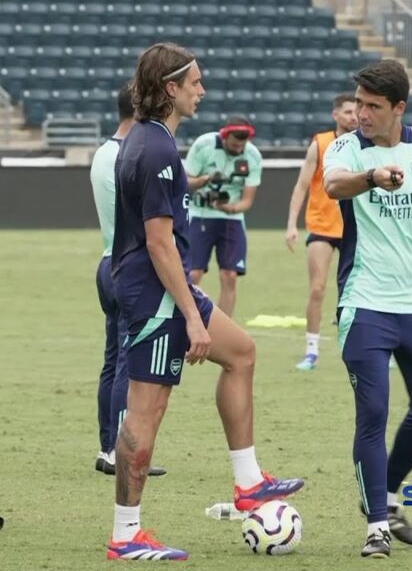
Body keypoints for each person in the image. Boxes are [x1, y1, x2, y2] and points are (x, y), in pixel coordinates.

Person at [106, 42, 302, 560]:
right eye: (195, 82)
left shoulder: (149, 141)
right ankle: (126, 534)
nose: (203, 91)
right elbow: (158, 242)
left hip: (161, 287)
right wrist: (192, 315)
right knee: (147, 410)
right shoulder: (158, 149)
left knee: (241, 352)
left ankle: (249, 483)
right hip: (155, 294)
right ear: (169, 88)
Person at [323, 59, 412, 558]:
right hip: (365, 304)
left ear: (398, 108)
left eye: (373, 106)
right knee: (374, 415)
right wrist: (373, 177)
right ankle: (376, 526)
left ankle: (385, 490)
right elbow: (334, 185)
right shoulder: (346, 148)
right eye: (358, 103)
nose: (361, 113)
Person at [90, 82, 166, 477]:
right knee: (126, 362)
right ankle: (120, 449)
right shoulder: (130, 156)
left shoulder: (103, 152)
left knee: (111, 360)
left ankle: (107, 445)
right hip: (128, 265)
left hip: (106, 261)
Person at [285, 94, 359, 371]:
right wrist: (292, 224)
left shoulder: (363, 143)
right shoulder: (320, 144)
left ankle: (361, 348)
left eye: (356, 111)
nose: (353, 116)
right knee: (317, 288)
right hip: (322, 225)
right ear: (336, 115)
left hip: (355, 227)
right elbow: (302, 186)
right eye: (348, 112)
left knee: (356, 292)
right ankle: (312, 351)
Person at [184, 114, 264, 318]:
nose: (239, 149)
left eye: (242, 145)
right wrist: (205, 181)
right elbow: (186, 181)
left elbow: (247, 201)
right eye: (235, 144)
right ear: (225, 137)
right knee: (193, 274)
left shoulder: (253, 156)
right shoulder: (204, 145)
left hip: (232, 219)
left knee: (230, 276)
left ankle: (224, 330)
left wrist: (229, 208)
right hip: (199, 214)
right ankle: (187, 323)